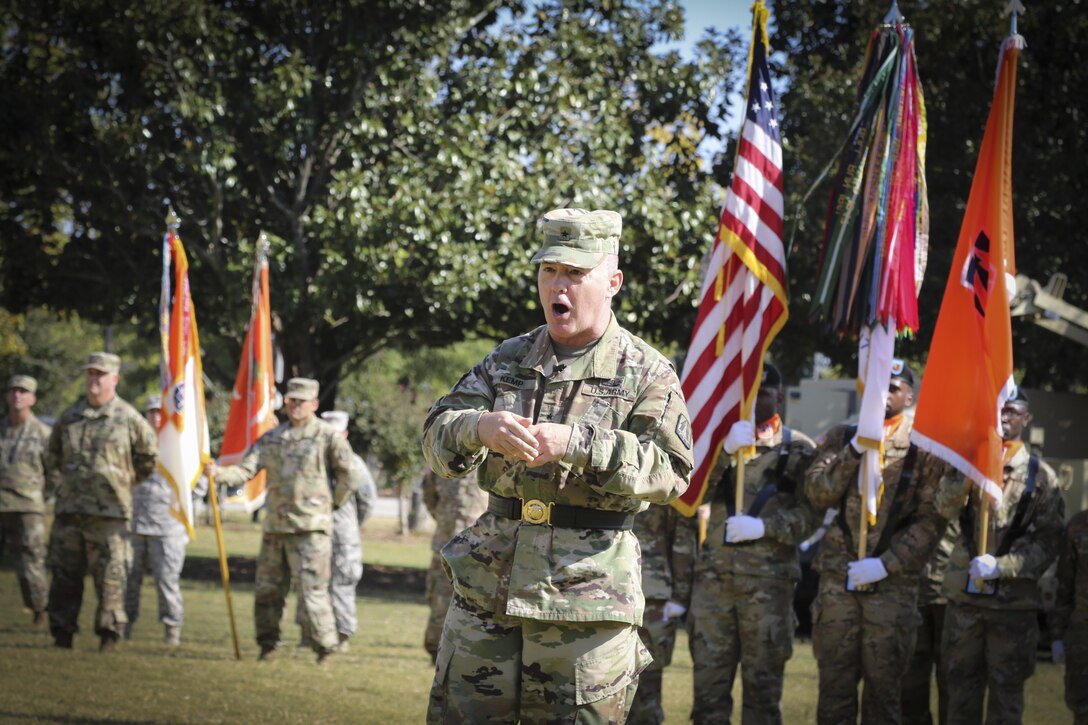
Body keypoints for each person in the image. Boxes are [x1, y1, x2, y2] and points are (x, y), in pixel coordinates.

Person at [421, 207, 693, 723]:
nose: (557, 285)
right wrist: (479, 428)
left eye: (575, 272)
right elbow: (436, 435)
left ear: (612, 281)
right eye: (549, 270)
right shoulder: (508, 358)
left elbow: (671, 471)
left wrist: (579, 443)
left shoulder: (646, 371)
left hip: (586, 606)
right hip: (488, 596)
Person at [804, 361, 961, 724]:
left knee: (884, 692)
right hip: (837, 581)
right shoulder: (844, 437)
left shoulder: (923, 447)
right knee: (834, 692)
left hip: (891, 587)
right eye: (879, 386)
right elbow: (816, 493)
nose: (885, 394)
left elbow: (931, 521)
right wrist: (855, 451)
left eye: (894, 387)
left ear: (909, 395)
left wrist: (885, 564)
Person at [688, 363, 819, 725]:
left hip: (768, 590)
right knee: (707, 698)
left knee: (763, 698)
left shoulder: (798, 449)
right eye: (746, 392)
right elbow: (691, 493)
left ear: (779, 395)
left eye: (761, 392)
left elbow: (811, 517)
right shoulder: (718, 445)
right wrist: (723, 453)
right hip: (714, 589)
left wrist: (765, 527)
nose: (752, 400)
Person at [210, 378, 360, 664]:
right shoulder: (272, 438)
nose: (294, 406)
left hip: (311, 530)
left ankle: (323, 648)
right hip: (276, 528)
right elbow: (245, 470)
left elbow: (349, 476)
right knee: (267, 590)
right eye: (291, 400)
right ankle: (267, 645)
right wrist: (217, 473)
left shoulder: (327, 436)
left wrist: (331, 505)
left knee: (312, 593)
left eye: (301, 401)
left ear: (314, 404)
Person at [940, 389, 1064, 724]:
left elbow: (1050, 541)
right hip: (965, 603)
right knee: (959, 697)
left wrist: (1004, 567)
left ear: (1027, 418)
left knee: (1005, 702)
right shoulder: (969, 463)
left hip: (1011, 609)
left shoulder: (1041, 479)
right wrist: (969, 470)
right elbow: (943, 506)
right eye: (999, 411)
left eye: (1012, 411)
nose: (1004, 418)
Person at [45, 352, 158, 651]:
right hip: (70, 512)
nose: (94, 380)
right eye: (91, 373)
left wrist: (123, 482)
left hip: (110, 516)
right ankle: (62, 635)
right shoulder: (69, 417)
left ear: (115, 379)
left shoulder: (128, 418)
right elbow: (52, 455)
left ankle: (108, 636)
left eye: (101, 374)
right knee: (64, 577)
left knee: (111, 579)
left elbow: (148, 458)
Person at [296, 409, 377, 652]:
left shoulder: (355, 464)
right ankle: (308, 633)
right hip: (312, 531)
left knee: (342, 581)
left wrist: (350, 524)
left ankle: (341, 637)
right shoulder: (310, 459)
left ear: (345, 433)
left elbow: (367, 501)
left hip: (343, 536)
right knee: (309, 580)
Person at [123, 395, 187, 645]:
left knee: (166, 582)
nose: (156, 417)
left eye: (161, 412)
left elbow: (198, 486)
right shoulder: (132, 444)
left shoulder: (179, 447)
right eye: (152, 412)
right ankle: (124, 625)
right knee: (129, 579)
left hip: (168, 528)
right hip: (135, 524)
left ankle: (172, 630)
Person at [628, 503, 697, 725]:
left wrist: (680, 595)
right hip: (607, 593)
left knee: (646, 684)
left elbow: (682, 541)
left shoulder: (664, 483)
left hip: (652, 597)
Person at [420, 465, 488, 663]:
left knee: (478, 603)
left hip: (480, 548)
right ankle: (436, 651)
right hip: (446, 542)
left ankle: (473, 653)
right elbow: (429, 496)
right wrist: (444, 520)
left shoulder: (495, 459)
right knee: (439, 600)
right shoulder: (445, 460)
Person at [0, 374, 52, 628]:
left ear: (33, 398)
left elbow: (55, 472)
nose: (17, 395)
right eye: (13, 391)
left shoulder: (43, 433)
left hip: (28, 507)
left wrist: (42, 497)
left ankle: (40, 610)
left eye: (23, 391)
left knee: (31, 561)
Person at [901, 513, 957, 724]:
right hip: (912, 587)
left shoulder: (966, 479)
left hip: (952, 591)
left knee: (954, 684)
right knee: (909, 685)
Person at [1053, 507, 1088, 725]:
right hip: (1083, 638)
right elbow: (1064, 587)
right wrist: (1057, 635)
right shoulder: (1079, 526)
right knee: (1082, 711)